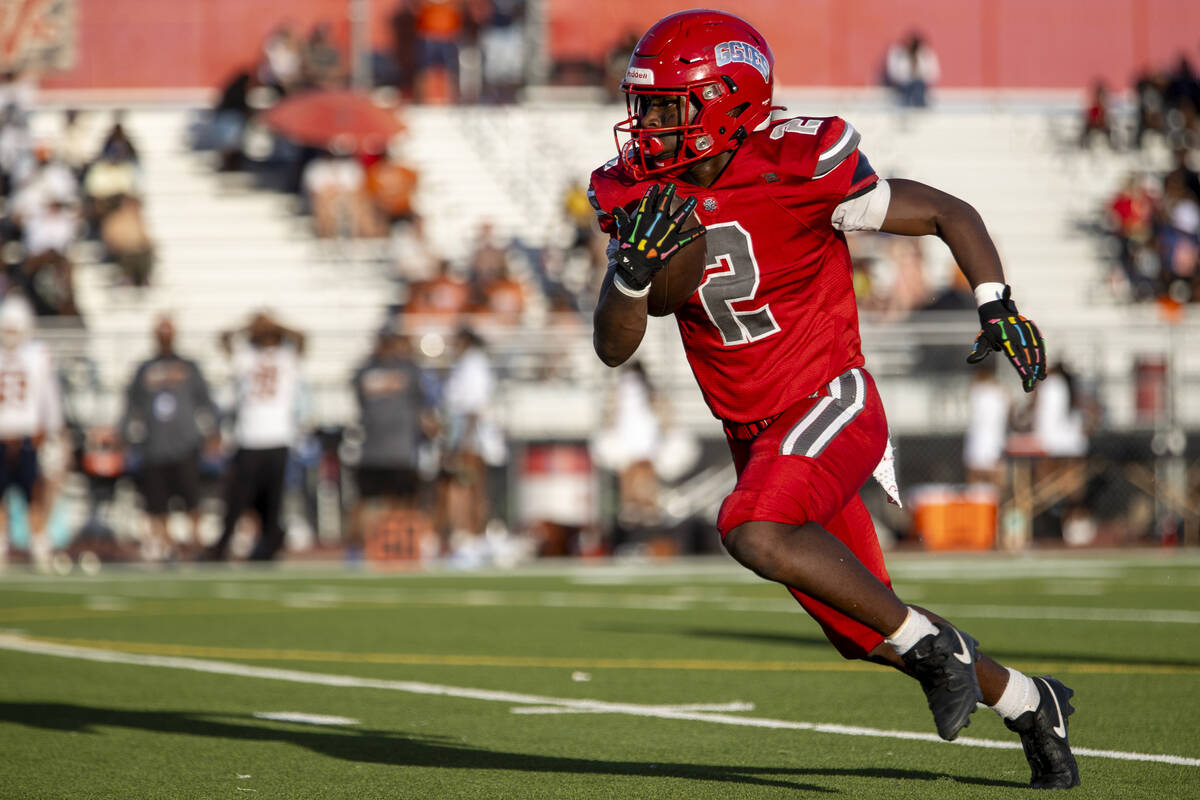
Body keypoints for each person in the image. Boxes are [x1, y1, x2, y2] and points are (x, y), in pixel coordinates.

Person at [588, 11, 1074, 790]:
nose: (644, 126)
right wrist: (632, 274)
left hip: (832, 397)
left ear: (727, 101)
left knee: (750, 528)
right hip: (757, 432)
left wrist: (998, 303)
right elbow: (617, 343)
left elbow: (949, 212)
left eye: (665, 106)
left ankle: (935, 645)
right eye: (642, 105)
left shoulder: (797, 163)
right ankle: (1028, 700)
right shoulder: (640, 193)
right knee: (864, 628)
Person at [205, 312, 305, 561]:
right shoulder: (247, 357)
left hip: (278, 436)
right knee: (237, 499)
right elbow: (222, 339)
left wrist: (275, 323)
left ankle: (269, 547)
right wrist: (249, 325)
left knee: (271, 502)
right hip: (248, 437)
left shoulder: (285, 356)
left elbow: (303, 338)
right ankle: (223, 547)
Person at [119, 316, 217, 560]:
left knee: (192, 500)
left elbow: (206, 402)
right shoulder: (143, 369)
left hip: (185, 445)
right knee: (157, 503)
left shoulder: (189, 366)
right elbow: (131, 406)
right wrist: (122, 435)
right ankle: (168, 546)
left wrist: (213, 432)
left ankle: (195, 546)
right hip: (154, 446)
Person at [349, 325, 437, 550]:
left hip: (398, 449)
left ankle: (397, 546)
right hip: (378, 449)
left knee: (401, 503)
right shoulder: (382, 369)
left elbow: (423, 408)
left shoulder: (404, 369)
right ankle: (361, 548)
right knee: (369, 502)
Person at [0, 295, 64, 571]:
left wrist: (51, 429)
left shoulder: (37, 353)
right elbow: (49, 397)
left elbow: (48, 397)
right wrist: (53, 427)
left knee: (34, 495)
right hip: (19, 434)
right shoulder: (38, 354)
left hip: (22, 435)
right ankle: (25, 546)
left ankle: (37, 544)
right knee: (26, 495)